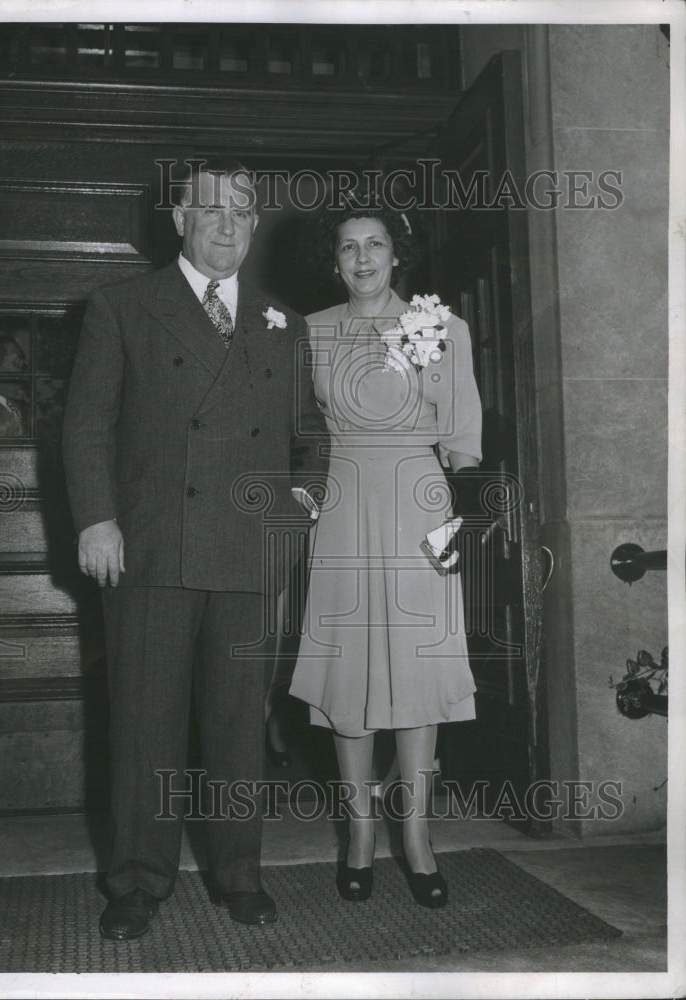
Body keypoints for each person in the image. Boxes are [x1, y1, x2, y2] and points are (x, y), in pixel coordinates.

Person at [62, 158, 328, 940]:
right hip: (150, 546)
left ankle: (238, 874)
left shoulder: (284, 322)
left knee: (237, 725)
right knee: (144, 721)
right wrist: (95, 520)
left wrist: (298, 510)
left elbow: (309, 439)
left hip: (248, 550)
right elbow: (85, 424)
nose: (225, 225)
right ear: (178, 218)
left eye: (241, 213)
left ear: (253, 227)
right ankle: (137, 882)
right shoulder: (122, 306)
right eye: (208, 210)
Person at [289, 202, 482, 909]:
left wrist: (453, 528)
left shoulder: (439, 326)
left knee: (416, 670)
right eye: (348, 248)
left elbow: (461, 441)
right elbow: (293, 431)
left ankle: (418, 838)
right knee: (348, 670)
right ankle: (360, 836)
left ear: (397, 254)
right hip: (341, 506)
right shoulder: (308, 334)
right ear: (333, 260)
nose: (362, 258)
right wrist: (302, 494)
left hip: (418, 509)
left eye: (375, 245)